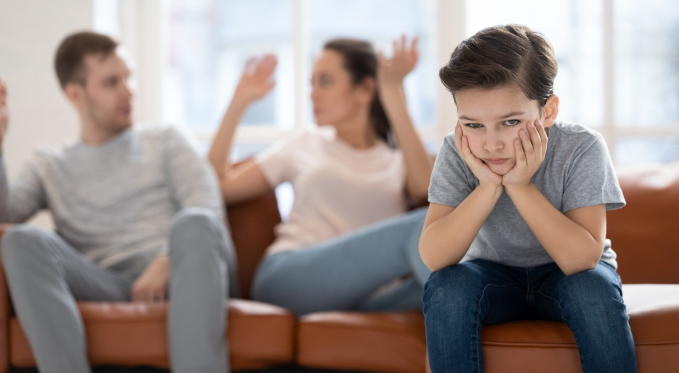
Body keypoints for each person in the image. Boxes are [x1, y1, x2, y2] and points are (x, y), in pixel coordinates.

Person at [0, 32, 236, 373]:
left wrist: (167, 259)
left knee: (196, 220)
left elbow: (208, 213)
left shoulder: (167, 139)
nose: (129, 91)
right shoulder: (48, 164)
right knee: (20, 240)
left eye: (129, 77)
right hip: (107, 282)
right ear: (75, 94)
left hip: (186, 274)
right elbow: (5, 216)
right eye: (112, 82)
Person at [419, 25, 637, 373]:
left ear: (547, 112)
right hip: (493, 274)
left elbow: (581, 259)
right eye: (473, 125)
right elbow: (434, 256)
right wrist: (488, 186)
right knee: (447, 287)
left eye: (510, 122)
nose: (491, 144)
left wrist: (520, 186)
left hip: (566, 274)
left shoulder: (582, 148)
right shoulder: (457, 151)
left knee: (592, 288)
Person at [208, 37, 433, 315]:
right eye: (311, 83)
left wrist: (392, 88)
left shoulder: (397, 160)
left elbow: (424, 186)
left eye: (325, 82)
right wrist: (239, 102)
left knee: (444, 289)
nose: (312, 94)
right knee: (425, 227)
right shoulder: (305, 142)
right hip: (291, 276)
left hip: (369, 298)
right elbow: (217, 185)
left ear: (365, 90)